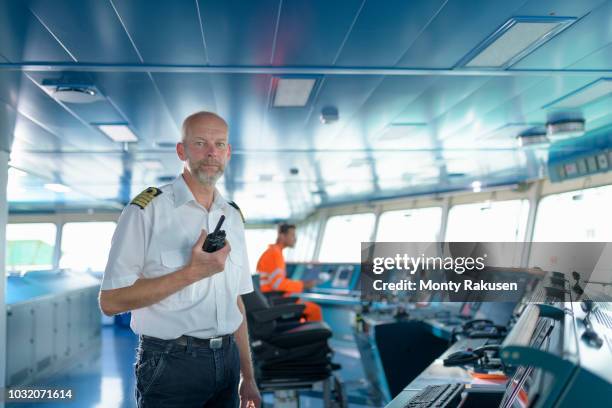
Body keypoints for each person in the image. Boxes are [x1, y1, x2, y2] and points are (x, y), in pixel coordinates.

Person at [99, 111, 261, 408]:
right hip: (170, 364)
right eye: (200, 143)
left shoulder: (233, 216)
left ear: (228, 153)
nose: (211, 152)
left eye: (219, 144)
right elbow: (110, 302)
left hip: (227, 362)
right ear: (181, 150)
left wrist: (247, 377)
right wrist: (191, 273)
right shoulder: (146, 210)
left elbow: (235, 303)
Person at [256, 224, 323, 322]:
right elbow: (278, 284)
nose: (295, 239)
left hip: (271, 298)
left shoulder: (273, 252)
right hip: (273, 299)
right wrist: (303, 285)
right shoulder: (275, 253)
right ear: (282, 236)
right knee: (315, 310)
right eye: (292, 235)